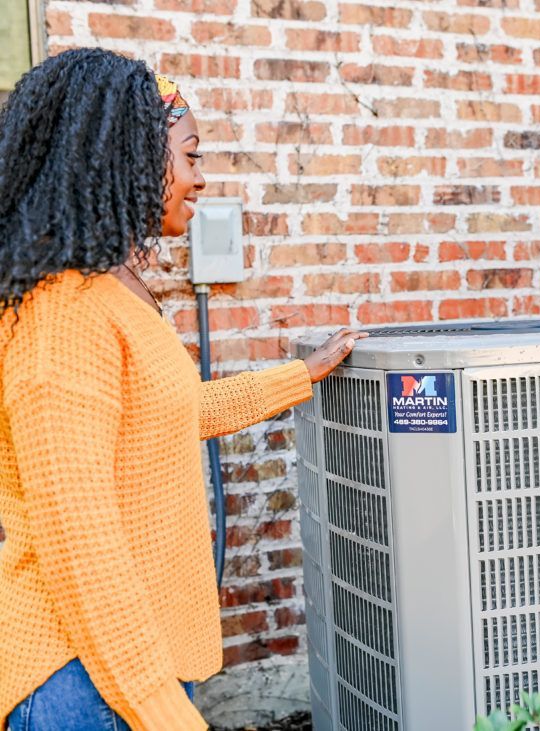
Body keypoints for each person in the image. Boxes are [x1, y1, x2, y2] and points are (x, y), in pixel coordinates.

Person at [0, 48, 367, 729]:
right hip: (84, 684)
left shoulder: (109, 293)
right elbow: (82, 546)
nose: (199, 179)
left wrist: (302, 375)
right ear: (127, 159)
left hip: (128, 669)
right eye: (190, 156)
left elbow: (173, 412)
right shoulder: (62, 314)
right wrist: (163, 710)